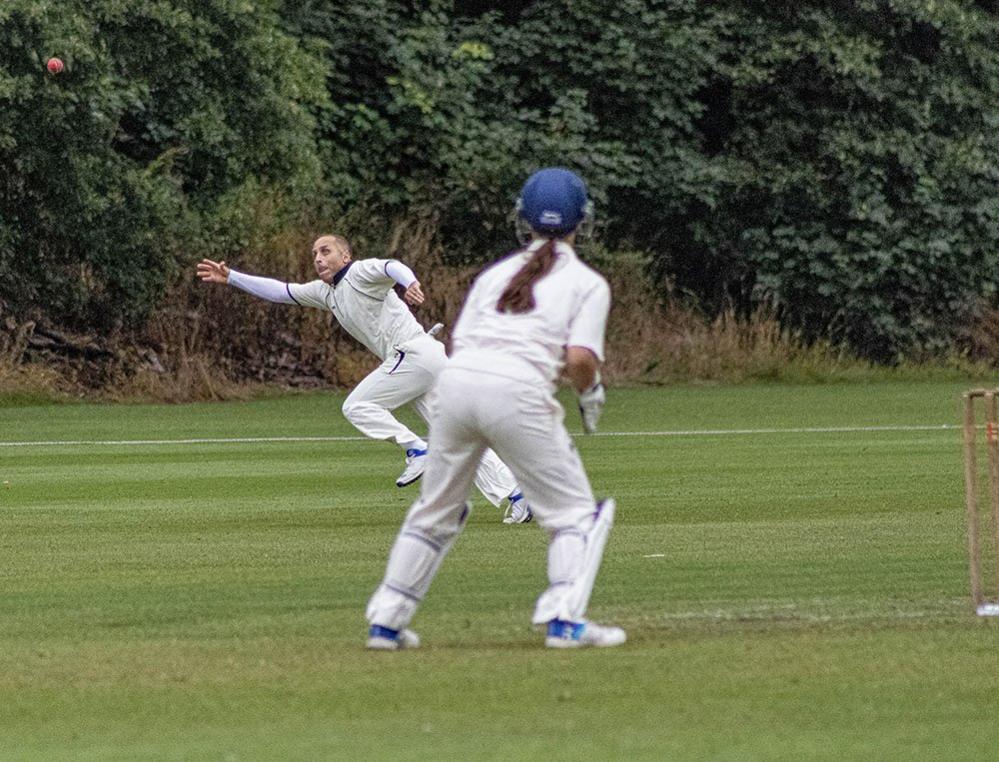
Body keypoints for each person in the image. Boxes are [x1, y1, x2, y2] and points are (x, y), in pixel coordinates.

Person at [365, 167, 626, 650]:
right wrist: (590, 395)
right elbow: (580, 359)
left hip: (457, 386)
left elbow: (464, 340)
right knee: (575, 515)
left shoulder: (492, 275)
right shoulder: (588, 283)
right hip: (517, 392)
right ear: (581, 222)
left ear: (522, 219)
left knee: (435, 511)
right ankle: (564, 621)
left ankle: (386, 623)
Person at [196, 235, 533, 524]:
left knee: (357, 406)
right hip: (423, 361)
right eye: (314, 253)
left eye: (326, 251)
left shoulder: (359, 272)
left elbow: (391, 267)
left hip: (414, 354)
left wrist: (410, 282)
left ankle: (416, 450)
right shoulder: (326, 292)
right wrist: (233, 278)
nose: (318, 258)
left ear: (345, 255)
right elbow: (282, 291)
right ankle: (518, 497)